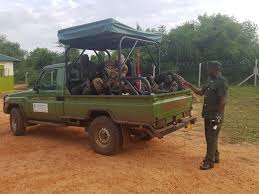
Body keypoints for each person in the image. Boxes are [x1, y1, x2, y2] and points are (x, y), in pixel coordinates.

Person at [184, 61, 228, 170]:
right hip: (207, 115)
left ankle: (209, 161)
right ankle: (215, 156)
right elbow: (200, 92)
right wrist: (189, 85)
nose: (207, 70)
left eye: (209, 68)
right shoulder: (209, 79)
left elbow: (222, 101)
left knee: (211, 137)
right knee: (210, 137)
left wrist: (218, 117)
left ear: (215, 69)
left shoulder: (221, 82)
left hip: (215, 116)